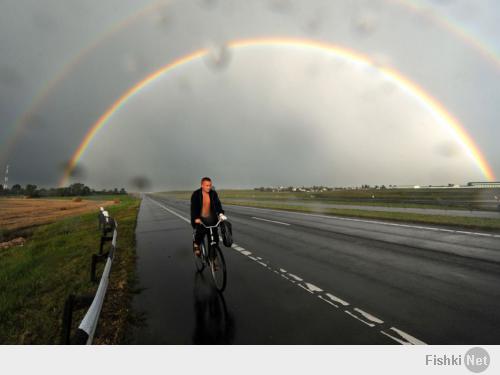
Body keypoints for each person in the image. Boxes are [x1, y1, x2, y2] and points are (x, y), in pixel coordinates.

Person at [191, 177, 226, 256]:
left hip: (211, 219)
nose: (209, 187)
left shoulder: (213, 193)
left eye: (210, 185)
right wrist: (196, 218)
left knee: (215, 239)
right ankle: (196, 244)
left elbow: (217, 204)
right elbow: (194, 208)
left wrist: (220, 214)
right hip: (201, 219)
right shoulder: (196, 194)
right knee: (200, 234)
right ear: (202, 185)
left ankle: (213, 259)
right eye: (207, 185)